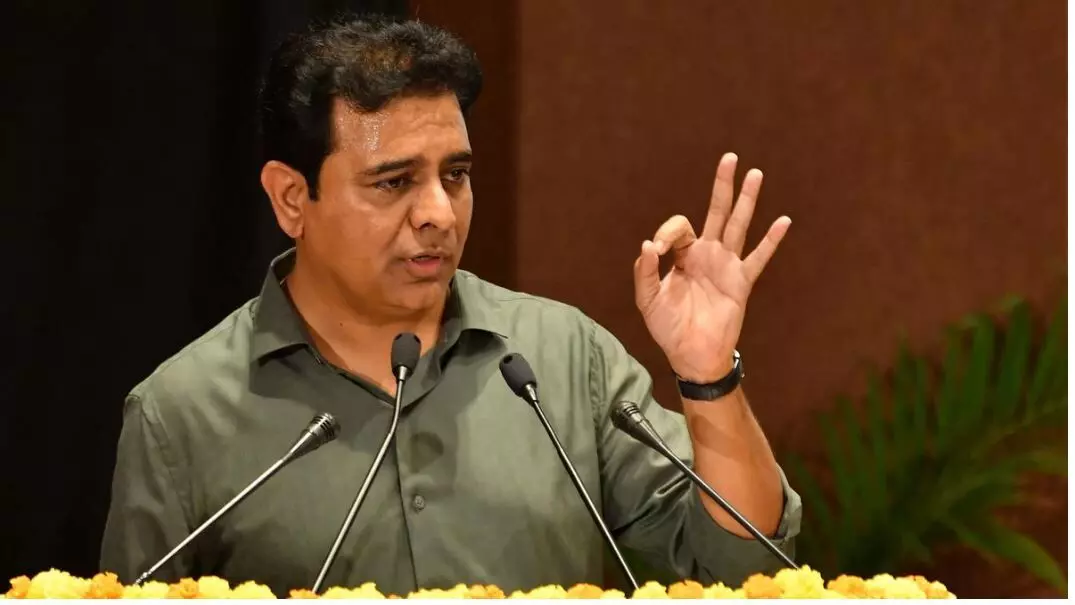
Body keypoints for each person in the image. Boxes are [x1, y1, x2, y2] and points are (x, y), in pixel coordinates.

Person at [100, 14, 802, 597]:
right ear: (291, 198)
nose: (438, 212)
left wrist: (707, 374)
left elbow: (749, 565)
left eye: (456, 175)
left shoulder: (561, 359)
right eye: (394, 182)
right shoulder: (182, 414)